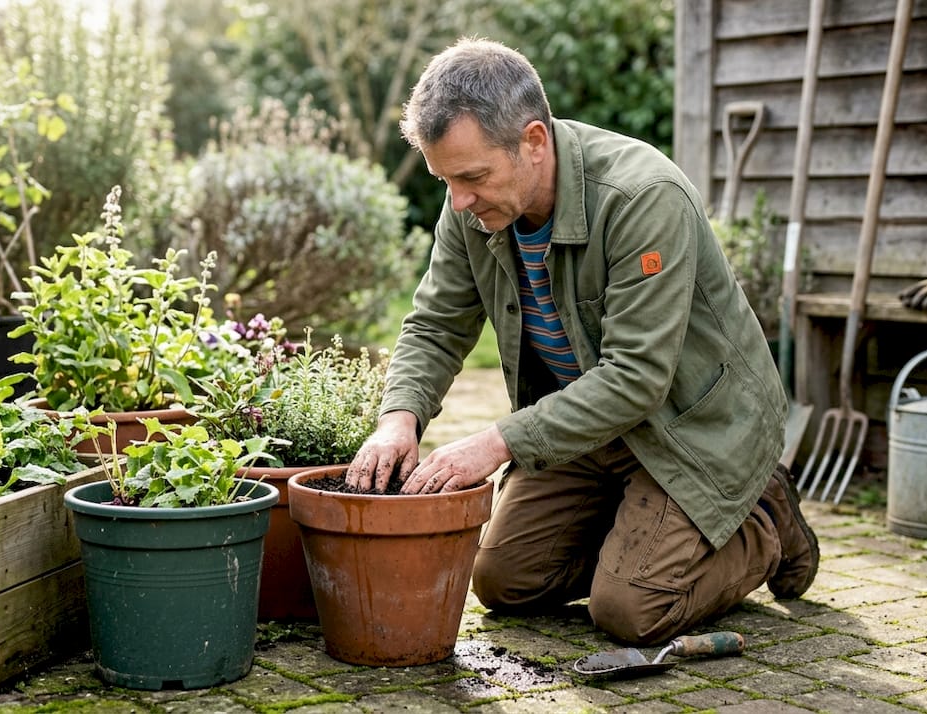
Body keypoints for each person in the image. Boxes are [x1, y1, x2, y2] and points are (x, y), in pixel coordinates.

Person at [345, 37, 818, 646]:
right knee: (505, 583)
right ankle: (646, 532)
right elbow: (437, 322)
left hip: (692, 429)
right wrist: (398, 418)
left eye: (473, 177)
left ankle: (761, 523)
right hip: (589, 429)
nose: (459, 200)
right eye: (447, 180)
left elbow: (638, 378)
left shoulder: (642, 198)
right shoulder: (470, 205)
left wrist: (495, 444)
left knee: (631, 612)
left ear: (534, 141)